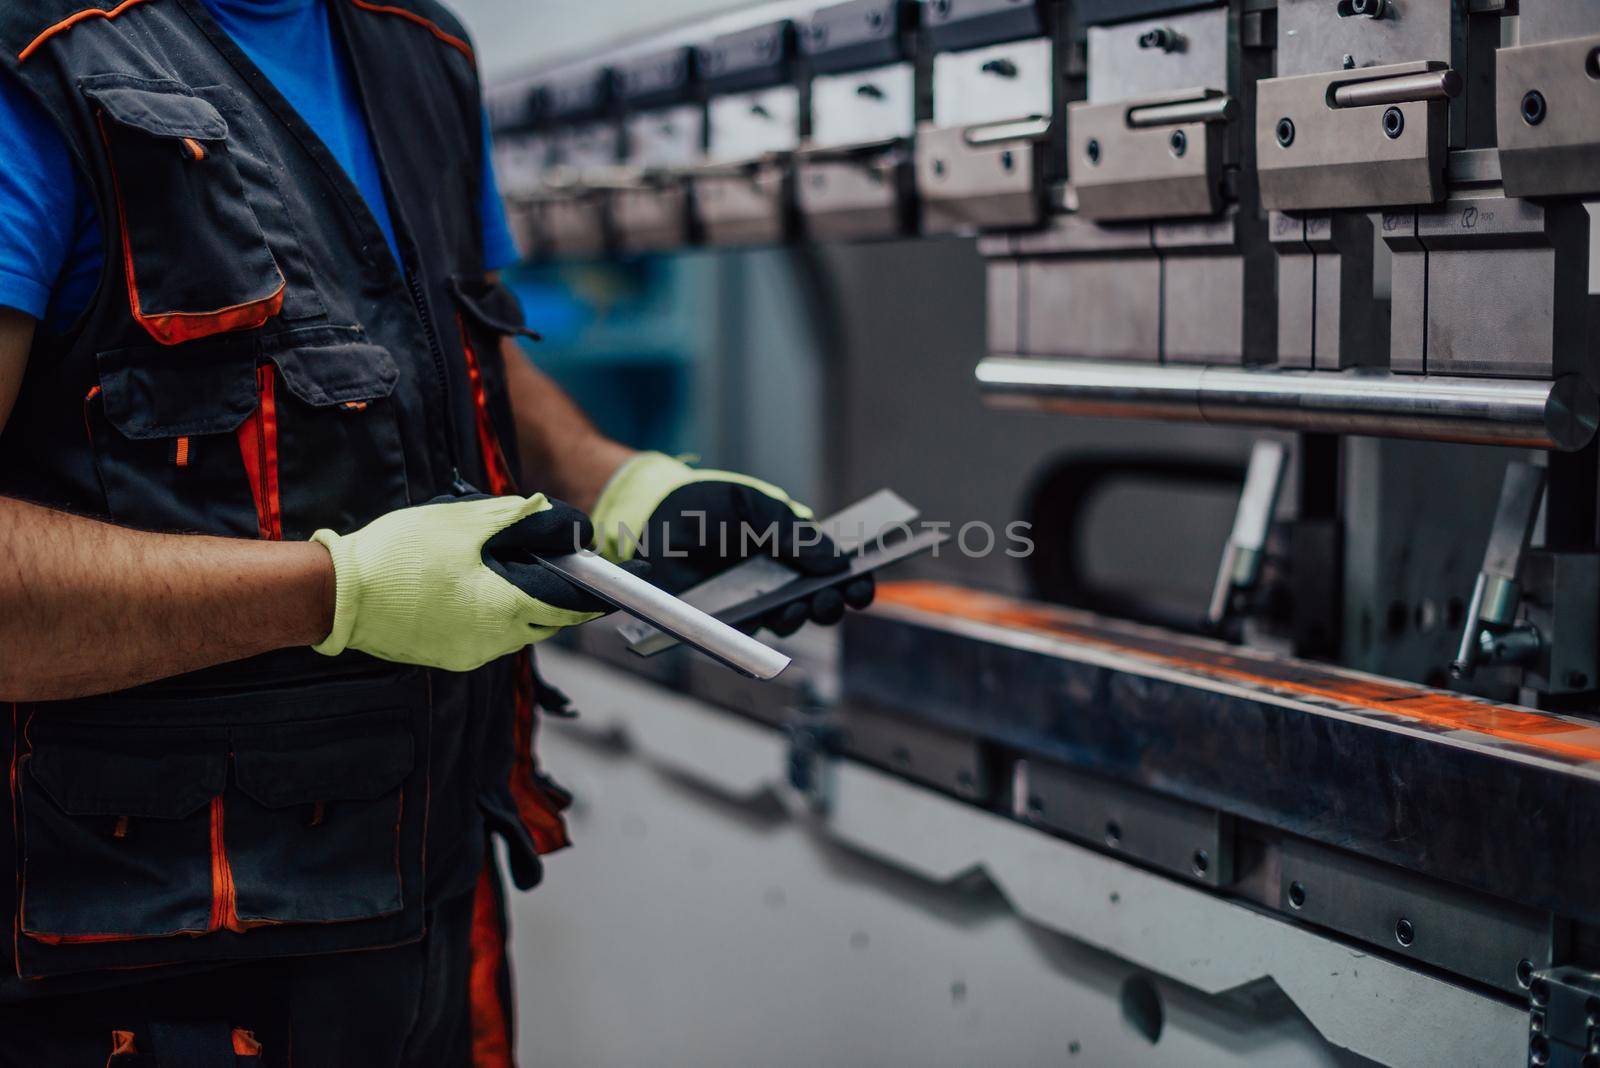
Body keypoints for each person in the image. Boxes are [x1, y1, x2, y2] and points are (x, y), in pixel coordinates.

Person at [0, 1, 871, 1063]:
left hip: (426, 917)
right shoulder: (36, 60)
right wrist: (340, 593)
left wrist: (621, 480)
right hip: (134, 966)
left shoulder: (418, 48)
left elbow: (449, 340)